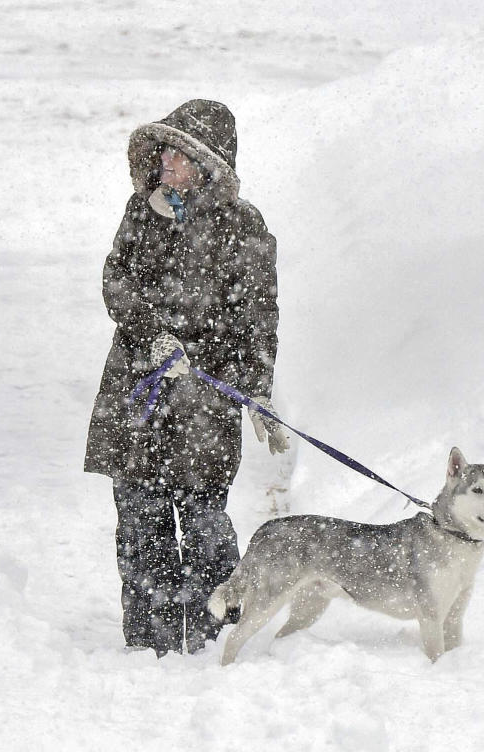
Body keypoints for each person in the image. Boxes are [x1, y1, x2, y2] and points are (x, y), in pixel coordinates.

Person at [84, 99, 289, 655]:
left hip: (204, 402)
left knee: (203, 522)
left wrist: (257, 389)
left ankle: (214, 636)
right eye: (165, 151)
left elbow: (257, 316)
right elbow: (115, 282)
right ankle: (148, 642)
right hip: (137, 393)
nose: (168, 162)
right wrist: (153, 334)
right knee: (140, 520)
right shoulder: (140, 212)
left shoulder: (243, 226)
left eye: (180, 153)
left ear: (207, 164)